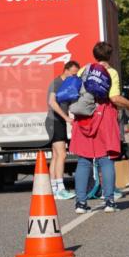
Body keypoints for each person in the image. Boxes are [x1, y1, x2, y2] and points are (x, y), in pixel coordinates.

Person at [71, 42, 129, 213]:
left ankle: (81, 203)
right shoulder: (111, 72)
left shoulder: (84, 69)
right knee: (105, 160)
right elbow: (114, 98)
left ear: (94, 55)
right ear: (110, 55)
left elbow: (75, 90)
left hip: (84, 116)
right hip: (103, 116)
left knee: (84, 161)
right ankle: (109, 202)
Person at [47, 61, 81, 198]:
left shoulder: (69, 83)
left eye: (76, 74)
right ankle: (60, 188)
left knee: (55, 156)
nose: (74, 76)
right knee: (62, 155)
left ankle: (54, 188)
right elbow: (52, 102)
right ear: (65, 70)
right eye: (73, 73)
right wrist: (66, 117)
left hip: (56, 121)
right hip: (54, 121)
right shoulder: (56, 83)